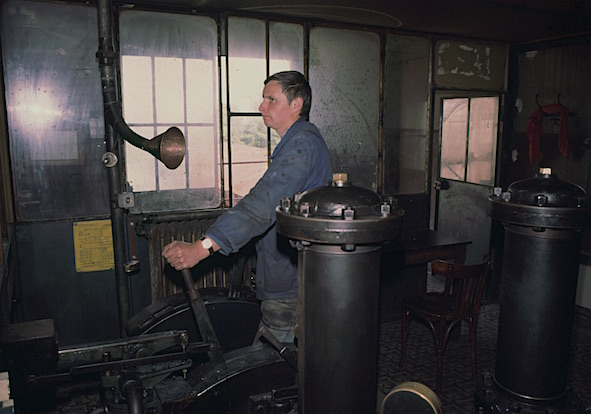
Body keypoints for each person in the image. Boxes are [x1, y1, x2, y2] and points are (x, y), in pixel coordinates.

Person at [163, 70, 333, 343]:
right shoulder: (297, 143)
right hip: (290, 276)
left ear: (296, 104)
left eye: (271, 99)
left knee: (271, 368)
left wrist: (201, 248)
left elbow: (261, 205)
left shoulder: (302, 146)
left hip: (291, 287)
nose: (261, 106)